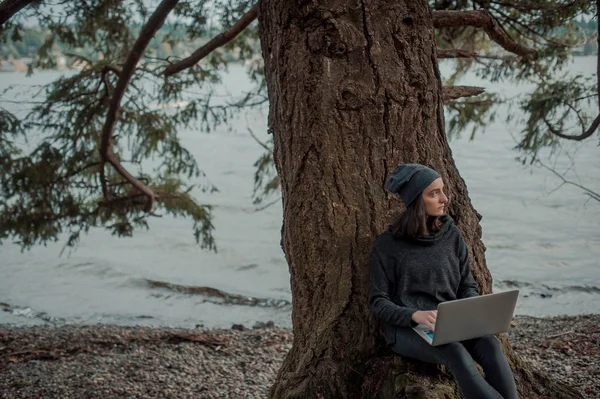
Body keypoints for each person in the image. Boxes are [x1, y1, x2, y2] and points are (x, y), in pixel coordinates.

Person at [369, 163, 519, 399]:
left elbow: (467, 284)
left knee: (490, 344)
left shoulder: (451, 235)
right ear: (417, 200)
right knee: (455, 351)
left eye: (442, 190)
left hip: (451, 321)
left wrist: (469, 309)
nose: (445, 199)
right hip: (407, 329)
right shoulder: (387, 246)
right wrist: (413, 315)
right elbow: (378, 301)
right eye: (434, 193)